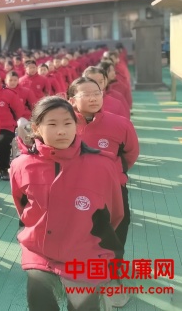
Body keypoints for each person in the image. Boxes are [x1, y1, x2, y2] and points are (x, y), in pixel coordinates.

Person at [10, 97, 124, 311]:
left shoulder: (102, 165)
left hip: (86, 252)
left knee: (84, 306)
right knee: (39, 300)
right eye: (52, 124)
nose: (61, 131)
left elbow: (114, 214)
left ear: (76, 125)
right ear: (36, 128)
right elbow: (23, 208)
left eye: (67, 123)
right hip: (39, 250)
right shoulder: (21, 165)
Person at [67, 78, 139, 249]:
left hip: (112, 188)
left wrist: (114, 173)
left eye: (97, 93)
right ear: (72, 100)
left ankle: (114, 263)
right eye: (86, 94)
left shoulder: (120, 124)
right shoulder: (64, 125)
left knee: (116, 233)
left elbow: (131, 153)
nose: (93, 98)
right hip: (72, 188)